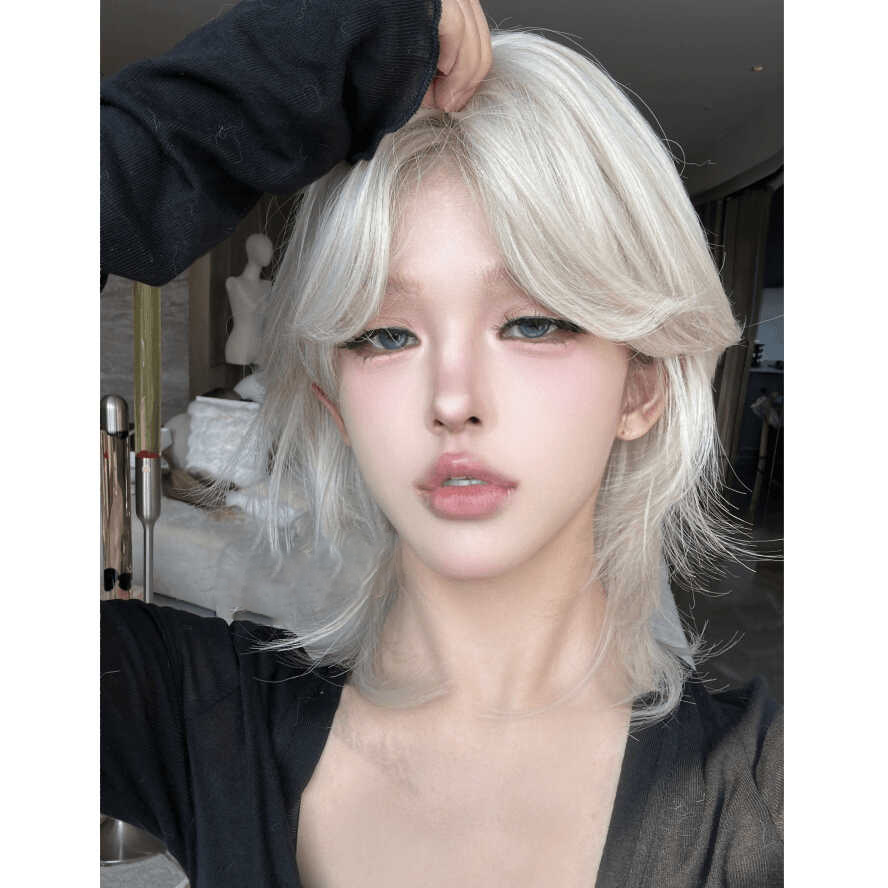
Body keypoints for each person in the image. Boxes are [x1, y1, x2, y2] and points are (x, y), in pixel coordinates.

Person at [100, 2, 782, 886]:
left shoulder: (773, 800)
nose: (452, 399)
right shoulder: (191, 718)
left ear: (641, 386)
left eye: (532, 322)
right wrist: (292, 57)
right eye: (386, 335)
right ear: (337, 406)